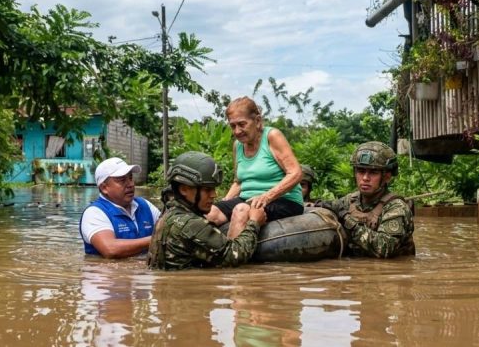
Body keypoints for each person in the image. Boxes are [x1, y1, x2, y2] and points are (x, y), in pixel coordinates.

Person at [148, 151, 267, 270]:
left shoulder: (168, 215)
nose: (214, 195)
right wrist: (254, 222)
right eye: (207, 190)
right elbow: (235, 255)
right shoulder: (191, 224)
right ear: (184, 189)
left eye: (213, 189)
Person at [206, 97, 302, 237]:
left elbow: (296, 173)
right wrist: (226, 200)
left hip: (284, 200)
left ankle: (231, 256)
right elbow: (238, 182)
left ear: (257, 121)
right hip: (247, 198)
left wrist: (266, 197)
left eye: (242, 124)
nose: (237, 131)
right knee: (210, 212)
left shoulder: (272, 136)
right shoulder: (237, 145)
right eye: (233, 126)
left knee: (241, 210)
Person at [318, 142, 415, 258]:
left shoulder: (397, 207)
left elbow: (385, 248)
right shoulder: (350, 200)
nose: (365, 178)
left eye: (373, 173)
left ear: (387, 177)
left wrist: (346, 219)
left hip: (389, 272)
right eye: (361, 171)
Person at [79, 157, 161, 258]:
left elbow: (168, 230)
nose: (130, 184)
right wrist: (156, 239)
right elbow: (110, 249)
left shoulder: (145, 205)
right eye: (122, 180)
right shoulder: (94, 213)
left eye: (130, 178)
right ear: (104, 188)